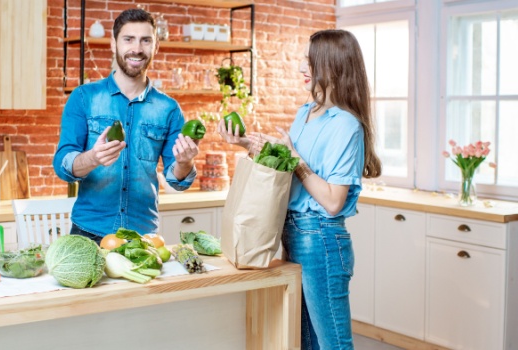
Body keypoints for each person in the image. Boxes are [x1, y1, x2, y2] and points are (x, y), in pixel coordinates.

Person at [218, 29, 381, 349]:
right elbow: (287, 169)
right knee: (305, 342)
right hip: (292, 233)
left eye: (311, 62)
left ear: (333, 66)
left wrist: (296, 160)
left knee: (333, 343)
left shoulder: (346, 125)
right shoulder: (306, 112)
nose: (302, 68)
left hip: (321, 239)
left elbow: (333, 201)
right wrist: (246, 144)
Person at [53, 8, 199, 244]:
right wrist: (93, 158)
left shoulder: (169, 109)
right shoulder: (83, 97)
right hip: (88, 232)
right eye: (128, 39)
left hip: (143, 236)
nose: (137, 48)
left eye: (145, 40)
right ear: (114, 44)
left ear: (155, 46)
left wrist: (185, 163)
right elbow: (62, 166)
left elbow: (176, 180)